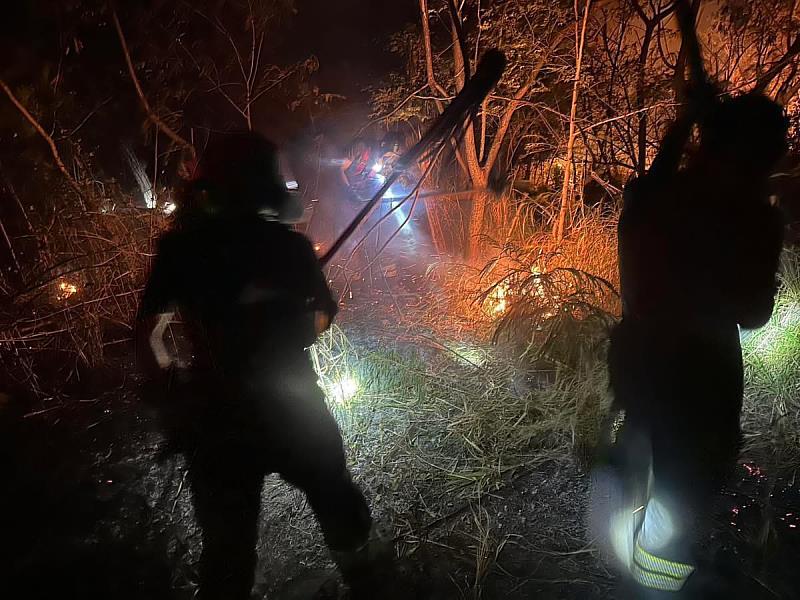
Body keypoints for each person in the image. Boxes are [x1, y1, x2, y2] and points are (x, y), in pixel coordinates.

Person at [136, 132, 381, 600]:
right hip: (293, 404)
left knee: (227, 551)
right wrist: (295, 325)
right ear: (266, 182)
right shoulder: (289, 248)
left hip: (215, 413)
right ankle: (367, 578)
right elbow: (323, 316)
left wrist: (171, 386)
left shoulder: (181, 250)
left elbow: (148, 330)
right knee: (337, 500)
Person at [602, 88, 788, 597]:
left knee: (645, 462)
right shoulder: (752, 221)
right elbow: (753, 311)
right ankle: (654, 580)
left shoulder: (660, 197)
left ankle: (642, 556)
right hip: (701, 381)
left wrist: (682, 124)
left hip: (639, 363)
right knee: (681, 496)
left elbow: (643, 210)